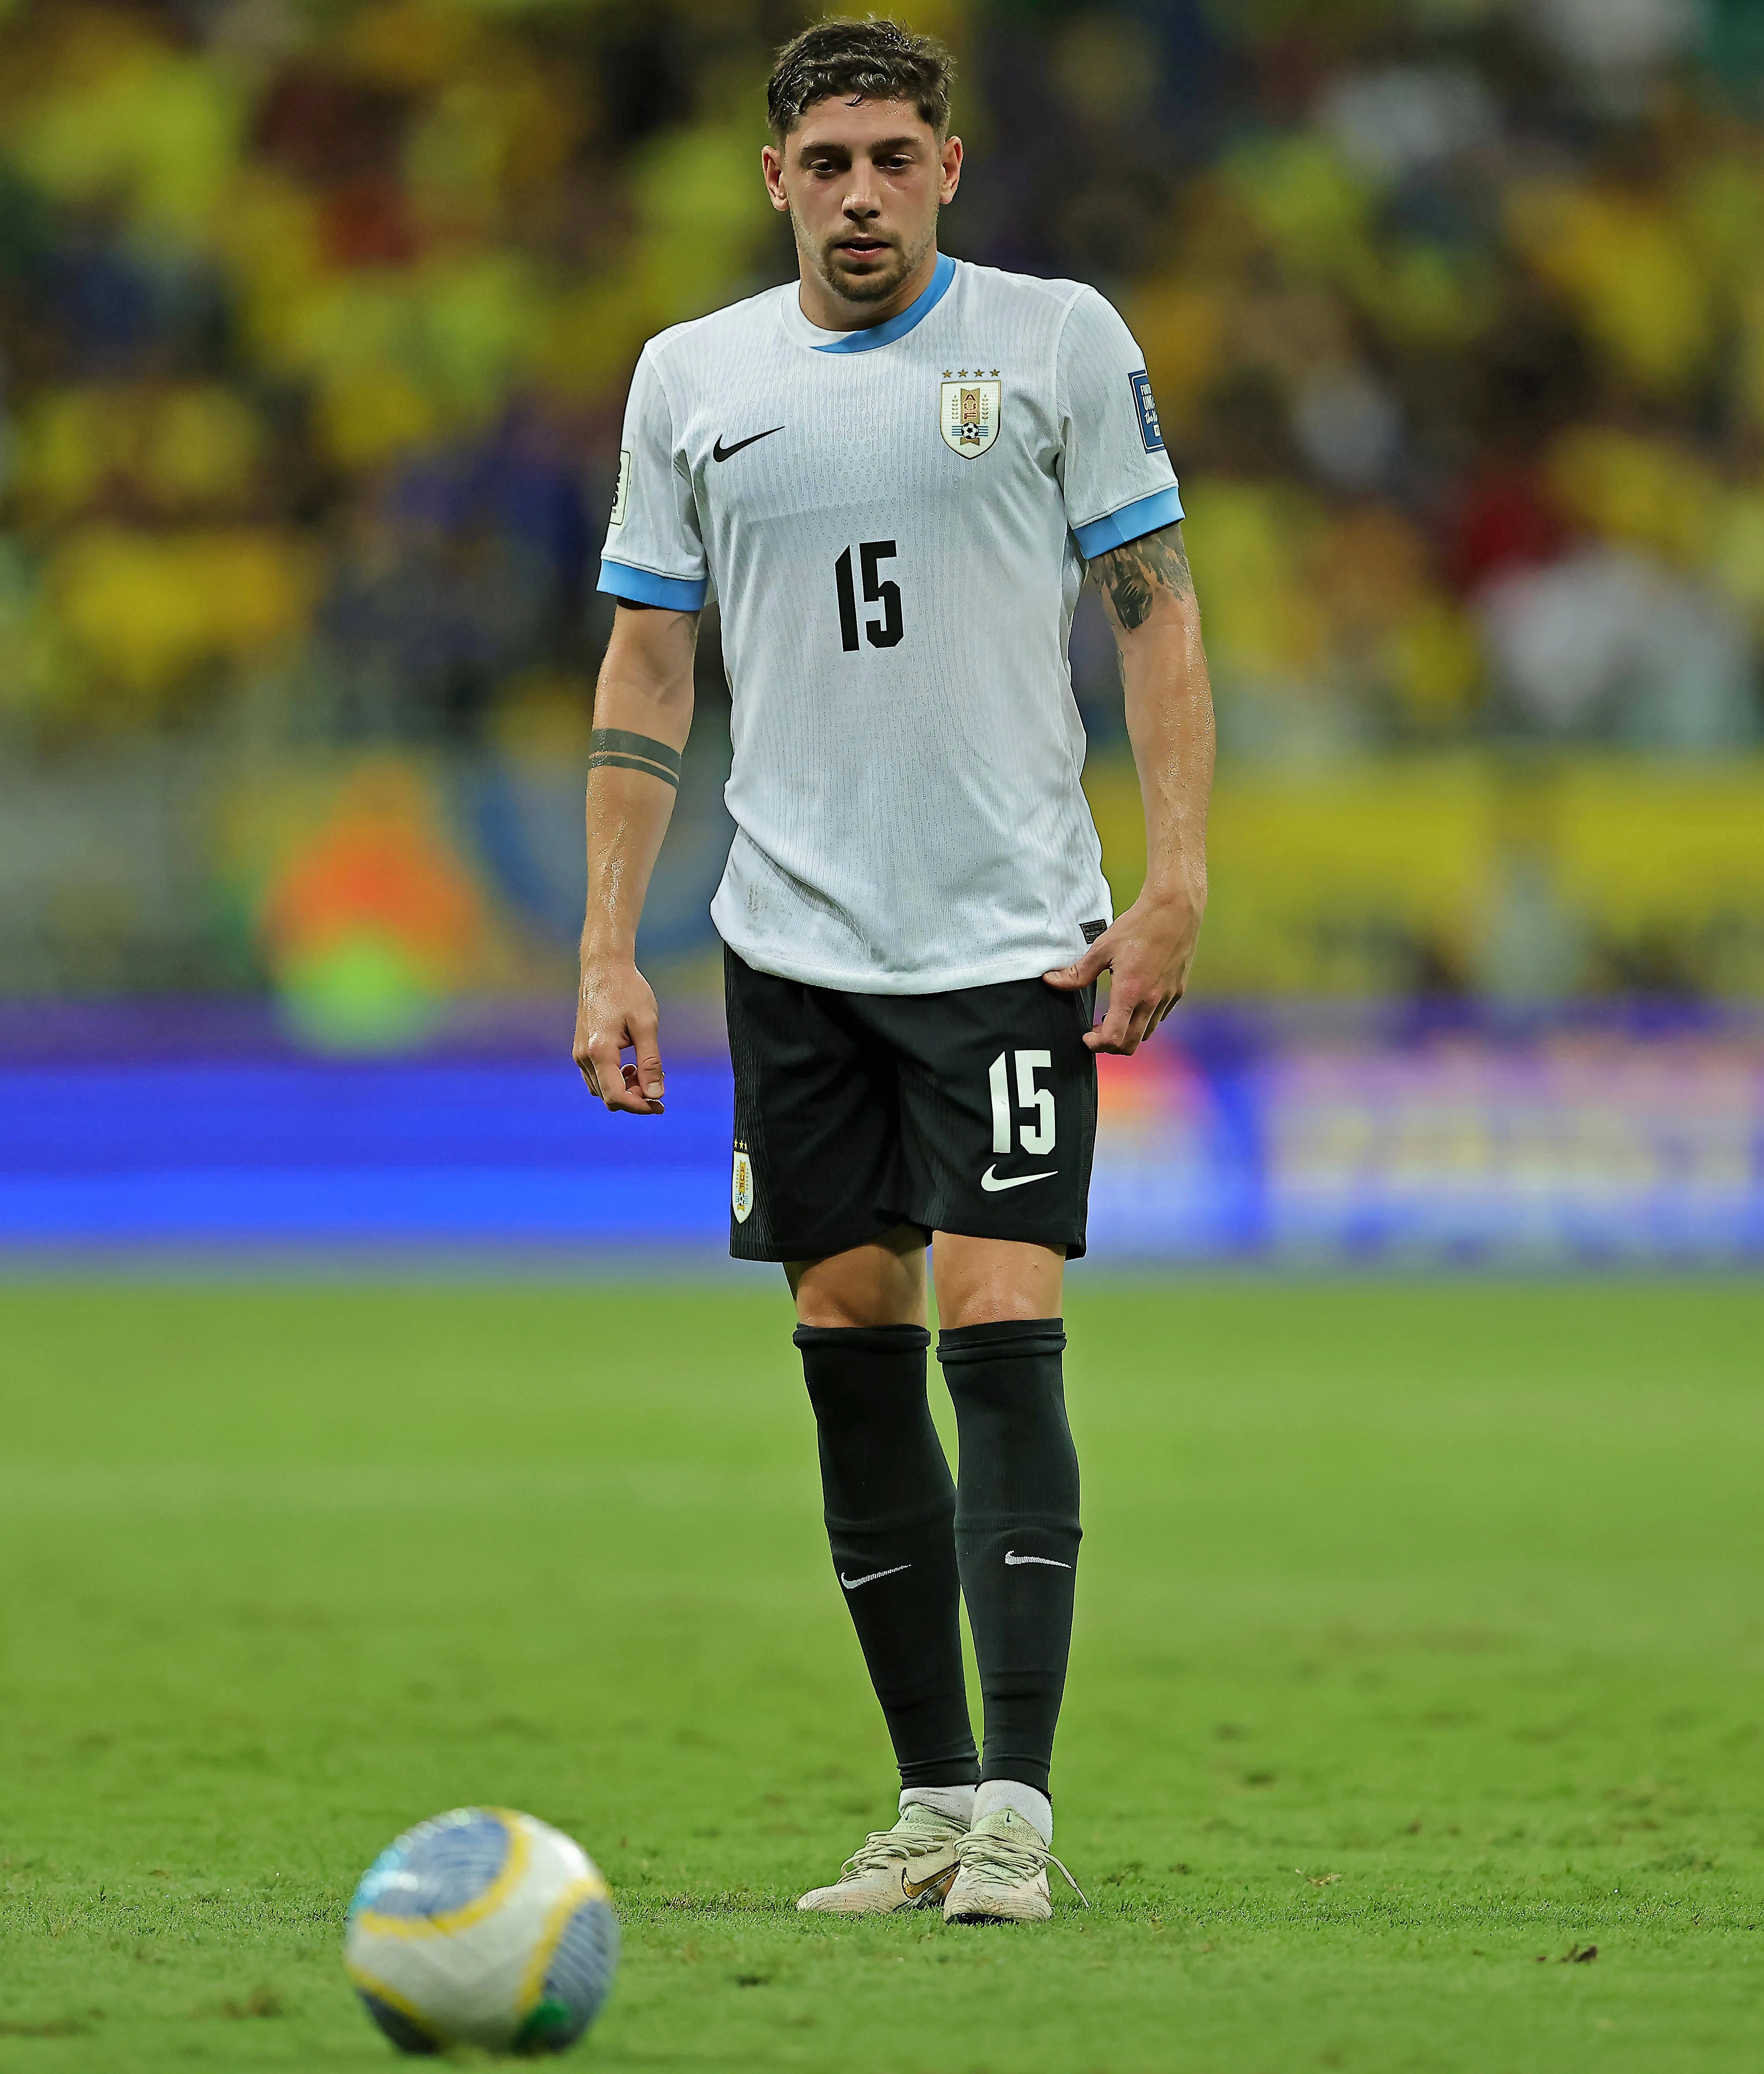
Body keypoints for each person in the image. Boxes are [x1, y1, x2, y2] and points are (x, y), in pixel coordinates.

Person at [569, 16, 1214, 1926]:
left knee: (998, 1325)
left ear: (950, 163)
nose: (861, 193)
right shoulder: (691, 378)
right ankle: (929, 1799)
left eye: (893, 158)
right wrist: (609, 946)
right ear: (773, 179)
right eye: (825, 163)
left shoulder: (1054, 342)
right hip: (789, 947)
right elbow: (643, 670)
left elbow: (1157, 623)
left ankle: (1015, 1809)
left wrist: (1174, 876)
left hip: (1008, 932)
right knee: (850, 1341)